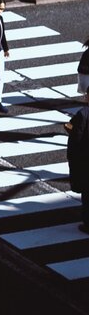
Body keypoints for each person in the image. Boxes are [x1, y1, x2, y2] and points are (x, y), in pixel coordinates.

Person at [65, 88, 89, 233]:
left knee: (87, 194)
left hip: (85, 160)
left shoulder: (83, 114)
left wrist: (72, 159)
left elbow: (76, 140)